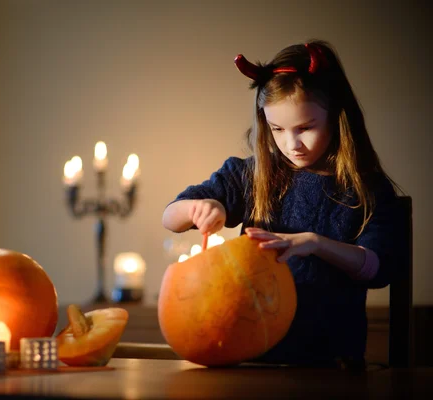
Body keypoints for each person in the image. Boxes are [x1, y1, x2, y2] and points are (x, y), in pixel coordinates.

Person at [162, 39, 403, 368]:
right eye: (277, 129)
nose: (292, 144)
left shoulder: (366, 189)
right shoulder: (251, 175)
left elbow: (379, 268)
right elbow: (170, 218)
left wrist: (315, 244)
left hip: (333, 364)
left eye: (305, 128)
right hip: (251, 357)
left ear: (336, 116)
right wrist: (200, 209)